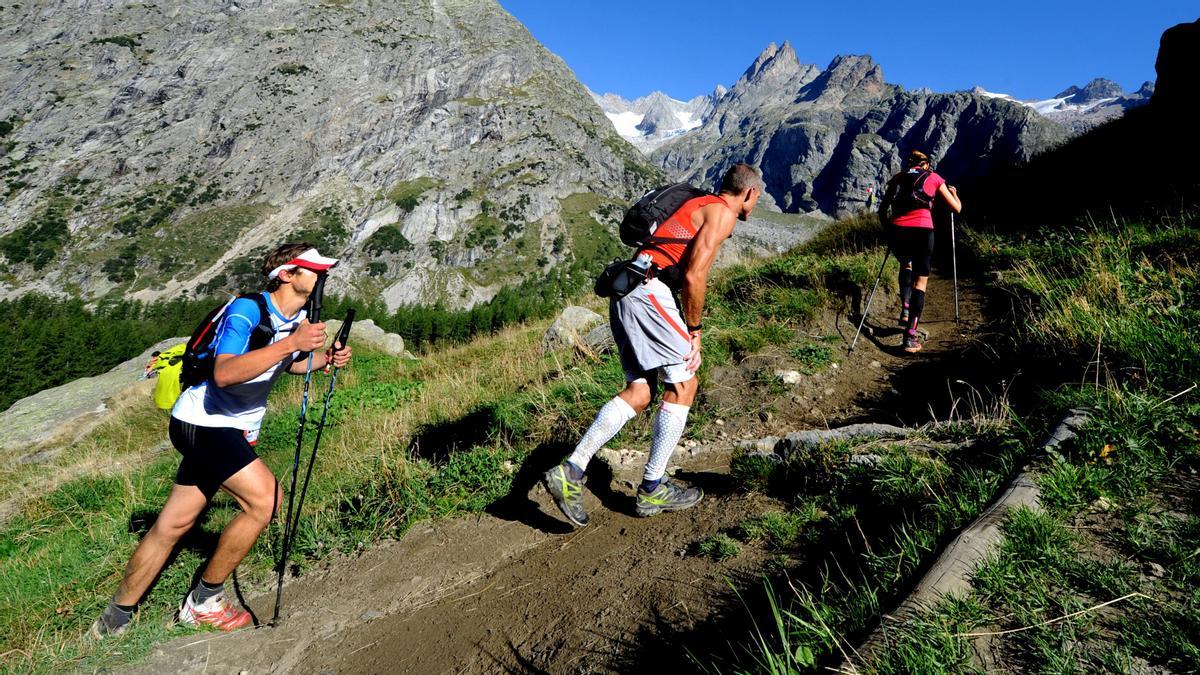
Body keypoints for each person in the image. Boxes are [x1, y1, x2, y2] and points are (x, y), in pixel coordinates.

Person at [90, 243, 352, 637]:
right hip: (205, 423)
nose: (323, 275)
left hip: (221, 427)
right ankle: (203, 602)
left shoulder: (294, 316)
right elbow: (225, 373)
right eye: (314, 269)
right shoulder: (247, 310)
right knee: (266, 501)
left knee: (174, 524)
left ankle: (114, 619)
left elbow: (288, 363)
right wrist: (291, 343)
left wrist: (324, 359)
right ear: (286, 274)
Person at [543, 164, 763, 527]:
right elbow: (694, 275)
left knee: (640, 392)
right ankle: (652, 487)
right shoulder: (722, 213)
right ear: (750, 193)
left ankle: (571, 470)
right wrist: (695, 329)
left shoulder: (700, 201)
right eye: (757, 198)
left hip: (625, 289)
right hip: (648, 290)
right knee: (685, 382)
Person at [878, 150, 962, 353]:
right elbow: (956, 208)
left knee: (905, 264)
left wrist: (889, 228)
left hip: (898, 229)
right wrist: (954, 193)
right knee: (921, 282)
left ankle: (905, 308)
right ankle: (910, 337)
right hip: (923, 230)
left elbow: (883, 209)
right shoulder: (934, 177)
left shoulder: (898, 177)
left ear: (910, 164)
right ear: (926, 164)